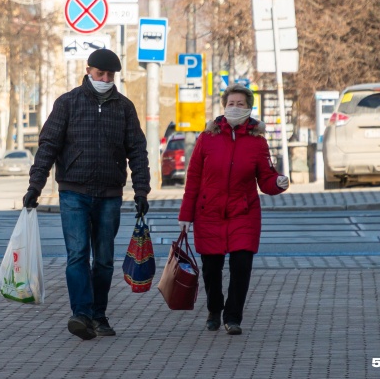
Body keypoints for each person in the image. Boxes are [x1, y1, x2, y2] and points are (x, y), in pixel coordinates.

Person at [23, 49, 151, 340]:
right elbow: (48, 146)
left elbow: (137, 152)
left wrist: (141, 190)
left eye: (110, 75)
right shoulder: (68, 103)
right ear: (88, 71)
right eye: (100, 74)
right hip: (73, 193)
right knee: (77, 255)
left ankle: (98, 314)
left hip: (109, 194)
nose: (105, 79)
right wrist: (36, 186)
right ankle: (81, 314)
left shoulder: (124, 108)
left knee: (104, 259)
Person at [177, 84, 289, 335]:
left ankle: (233, 316)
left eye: (240, 104)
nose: (235, 108)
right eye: (231, 104)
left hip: (243, 212)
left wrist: (278, 183)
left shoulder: (258, 142)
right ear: (224, 107)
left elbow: (266, 179)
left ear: (249, 108)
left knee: (241, 265)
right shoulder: (207, 138)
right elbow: (193, 178)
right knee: (211, 269)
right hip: (209, 213)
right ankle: (214, 310)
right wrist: (186, 215)